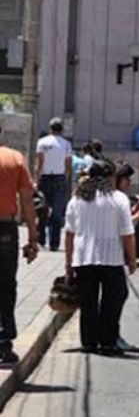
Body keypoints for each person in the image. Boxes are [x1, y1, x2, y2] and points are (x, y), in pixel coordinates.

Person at [64, 160, 137, 355]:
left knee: (88, 302)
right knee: (114, 298)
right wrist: (132, 259)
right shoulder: (119, 199)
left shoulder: (76, 199)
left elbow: (69, 233)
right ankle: (107, 341)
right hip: (111, 258)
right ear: (110, 177)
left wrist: (68, 262)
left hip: (83, 258)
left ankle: (88, 342)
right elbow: (127, 233)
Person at [0, 124, 39, 364]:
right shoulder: (14, 159)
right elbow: (26, 201)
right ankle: (3, 343)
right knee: (6, 284)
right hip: (5, 229)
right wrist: (33, 238)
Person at [34, 117, 72, 251]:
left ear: (50, 129)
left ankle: (41, 240)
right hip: (60, 179)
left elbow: (39, 164)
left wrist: (35, 180)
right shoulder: (67, 144)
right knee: (57, 212)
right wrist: (65, 180)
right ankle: (54, 243)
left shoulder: (42, 142)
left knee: (42, 209)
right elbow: (68, 166)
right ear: (61, 130)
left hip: (44, 178)